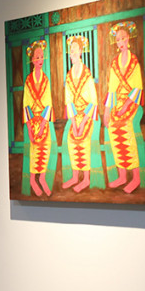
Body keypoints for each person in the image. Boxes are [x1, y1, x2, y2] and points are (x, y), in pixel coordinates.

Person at [103, 21, 145, 194]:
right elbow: (111, 90)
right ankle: (122, 175)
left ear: (128, 38)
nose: (120, 42)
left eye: (123, 38)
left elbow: (137, 88)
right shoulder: (114, 63)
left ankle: (135, 177)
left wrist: (125, 106)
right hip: (118, 102)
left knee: (125, 127)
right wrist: (107, 111)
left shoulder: (134, 61)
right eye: (118, 39)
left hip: (131, 102)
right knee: (113, 127)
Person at [63, 35, 100, 192]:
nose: (72, 54)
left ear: (80, 52)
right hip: (75, 117)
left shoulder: (86, 74)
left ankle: (86, 179)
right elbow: (68, 101)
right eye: (70, 52)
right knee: (71, 139)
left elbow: (93, 100)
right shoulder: (69, 76)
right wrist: (73, 123)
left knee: (83, 139)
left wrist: (83, 122)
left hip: (87, 115)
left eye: (74, 51)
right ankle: (74, 176)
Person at [21, 39, 54, 197]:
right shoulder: (28, 81)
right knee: (34, 151)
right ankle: (33, 179)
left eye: (42, 57)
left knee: (45, 149)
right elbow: (26, 104)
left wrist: (42, 125)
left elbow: (48, 103)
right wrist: (29, 128)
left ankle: (42, 178)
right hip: (32, 121)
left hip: (43, 122)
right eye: (37, 57)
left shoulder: (45, 80)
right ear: (32, 60)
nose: (40, 60)